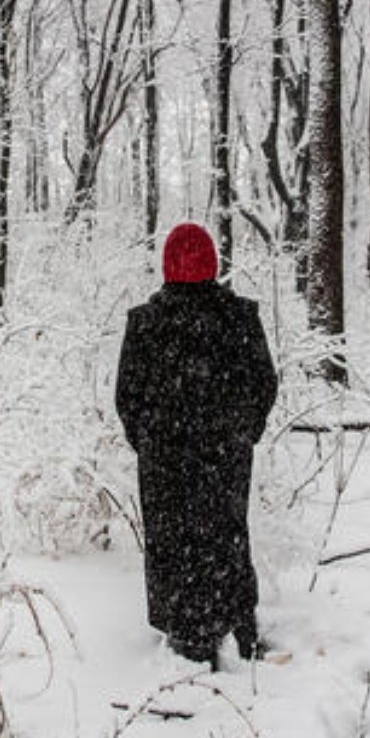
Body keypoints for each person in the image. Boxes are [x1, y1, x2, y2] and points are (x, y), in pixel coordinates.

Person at [115, 222, 278, 668]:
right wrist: (243, 432)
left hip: (166, 458)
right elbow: (265, 384)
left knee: (172, 538)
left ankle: (183, 630)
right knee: (226, 534)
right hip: (225, 455)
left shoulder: (146, 323)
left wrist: (149, 440)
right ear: (213, 264)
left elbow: (126, 397)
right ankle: (236, 624)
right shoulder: (239, 318)